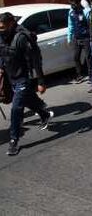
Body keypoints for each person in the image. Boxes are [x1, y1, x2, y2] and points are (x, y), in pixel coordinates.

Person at [0, 12, 54, 156]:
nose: (1, 30)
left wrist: (41, 81)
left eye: (3, 27)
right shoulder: (1, 37)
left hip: (23, 78)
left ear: (11, 24)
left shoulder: (22, 38)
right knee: (27, 99)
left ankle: (13, 140)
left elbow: (35, 60)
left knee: (16, 108)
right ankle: (44, 113)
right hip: (10, 77)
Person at [67, 0, 91, 83]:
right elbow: (70, 26)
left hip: (86, 38)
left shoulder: (86, 11)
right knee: (76, 57)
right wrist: (69, 37)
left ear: (78, 3)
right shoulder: (71, 12)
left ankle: (91, 75)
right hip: (76, 38)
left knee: (88, 57)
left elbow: (90, 24)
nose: (71, 6)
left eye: (73, 4)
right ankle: (79, 75)